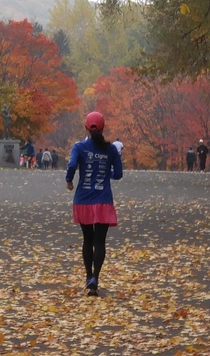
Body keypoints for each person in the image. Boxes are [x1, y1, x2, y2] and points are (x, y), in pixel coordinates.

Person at [66, 111, 123, 297]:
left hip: (83, 199)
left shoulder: (79, 147)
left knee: (87, 239)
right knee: (100, 241)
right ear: (103, 127)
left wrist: (69, 180)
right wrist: (108, 174)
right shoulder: (111, 150)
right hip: (103, 200)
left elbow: (72, 165)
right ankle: (95, 279)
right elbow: (118, 173)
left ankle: (88, 276)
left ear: (86, 128)